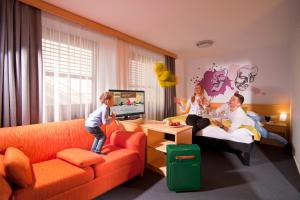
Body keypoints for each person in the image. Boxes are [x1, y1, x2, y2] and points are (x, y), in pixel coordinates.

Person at [212, 92, 289, 149]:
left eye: (233, 99)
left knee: (266, 135)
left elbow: (230, 131)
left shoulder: (239, 114)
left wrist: (221, 125)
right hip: (247, 116)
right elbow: (216, 111)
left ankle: (286, 143)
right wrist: (215, 112)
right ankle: (264, 117)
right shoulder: (226, 105)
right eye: (231, 98)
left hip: (251, 122)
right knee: (253, 116)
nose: (230, 100)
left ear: (239, 104)